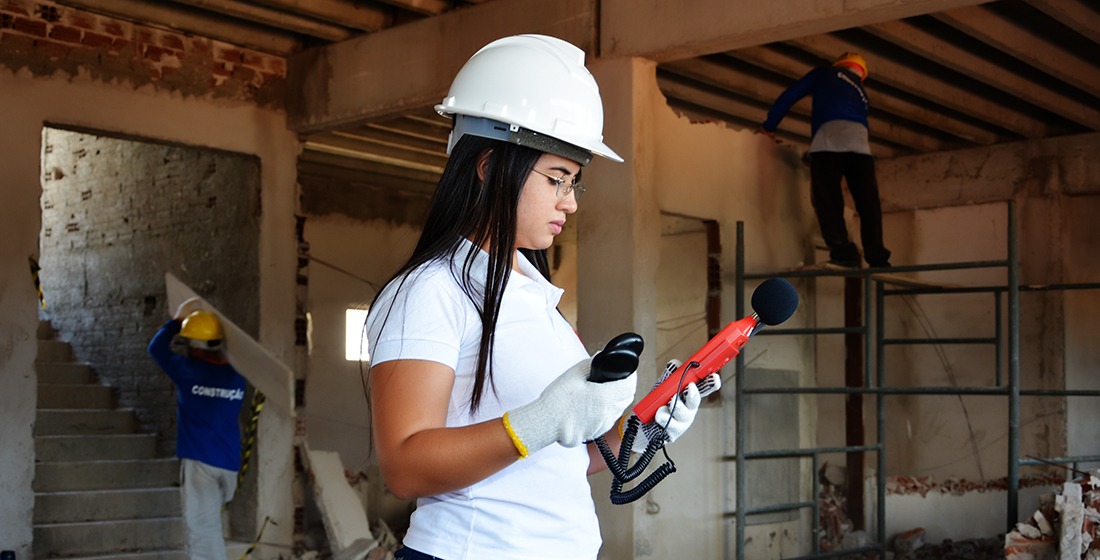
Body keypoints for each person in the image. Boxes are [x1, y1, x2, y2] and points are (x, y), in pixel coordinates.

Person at [365, 34, 711, 560]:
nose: (570, 203)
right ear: (488, 168)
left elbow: (559, 457)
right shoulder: (430, 290)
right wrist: (542, 419)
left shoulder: (532, 297)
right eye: (557, 179)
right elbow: (405, 468)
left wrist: (641, 431)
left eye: (574, 183)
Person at [759, 52, 892, 269]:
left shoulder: (825, 73)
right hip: (861, 150)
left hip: (828, 144)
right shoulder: (861, 92)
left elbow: (790, 95)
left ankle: (843, 253)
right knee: (868, 203)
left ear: (840, 64)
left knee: (827, 198)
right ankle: (878, 258)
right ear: (860, 73)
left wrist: (769, 126)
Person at [148, 297, 246, 560]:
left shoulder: (187, 371)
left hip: (200, 464)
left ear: (195, 345)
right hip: (228, 465)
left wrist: (176, 321)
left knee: (201, 531)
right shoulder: (239, 375)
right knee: (211, 524)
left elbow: (156, 348)